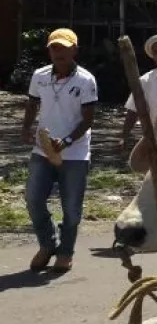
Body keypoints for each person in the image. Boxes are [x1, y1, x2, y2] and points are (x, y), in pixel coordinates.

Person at [19, 29, 98, 273]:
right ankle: (47, 244)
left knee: (71, 206)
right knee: (33, 200)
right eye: (54, 48)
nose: (58, 52)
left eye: (64, 48)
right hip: (42, 150)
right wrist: (26, 127)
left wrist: (65, 141)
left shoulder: (86, 80)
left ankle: (65, 252)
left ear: (74, 50)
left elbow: (88, 120)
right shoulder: (40, 75)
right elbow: (32, 103)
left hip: (74, 153)